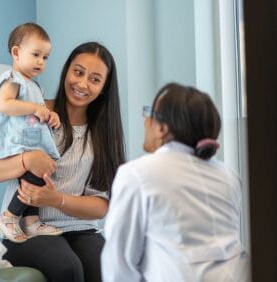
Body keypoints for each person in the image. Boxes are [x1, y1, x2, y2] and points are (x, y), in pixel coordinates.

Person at [0, 41, 126, 282]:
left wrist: (56, 200)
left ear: (104, 87)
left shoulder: (102, 133)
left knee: (107, 267)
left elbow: (101, 204)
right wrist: (26, 160)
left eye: (95, 79)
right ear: (66, 71)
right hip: (26, 230)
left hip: (80, 229)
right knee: (68, 269)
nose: (82, 84)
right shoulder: (34, 113)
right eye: (78, 72)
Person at [101, 83, 250, 281]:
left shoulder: (138, 174)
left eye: (149, 113)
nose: (145, 121)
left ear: (162, 127)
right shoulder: (228, 176)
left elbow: (118, 265)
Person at [0, 23, 63, 243]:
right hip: (15, 141)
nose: (41, 61)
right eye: (36, 55)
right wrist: (35, 108)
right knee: (35, 175)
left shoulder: (35, 86)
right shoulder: (13, 79)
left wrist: (50, 115)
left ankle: (31, 222)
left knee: (39, 175)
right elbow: (4, 105)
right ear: (16, 52)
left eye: (46, 57)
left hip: (30, 141)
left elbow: (38, 114)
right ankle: (9, 217)